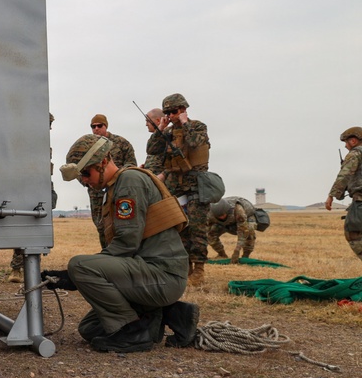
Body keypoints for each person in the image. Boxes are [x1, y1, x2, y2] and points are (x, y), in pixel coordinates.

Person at [58, 134, 198, 352]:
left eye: (86, 173)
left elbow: (126, 244)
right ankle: (169, 314)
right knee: (90, 329)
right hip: (149, 272)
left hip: (162, 275)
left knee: (79, 265)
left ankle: (134, 332)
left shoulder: (129, 182)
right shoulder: (116, 187)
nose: (84, 180)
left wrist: (72, 275)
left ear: (104, 161)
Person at [145, 93, 212, 285]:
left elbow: (194, 143)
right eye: (167, 113)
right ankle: (186, 267)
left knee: (198, 229)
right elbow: (152, 149)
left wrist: (185, 124)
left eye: (174, 112)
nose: (171, 115)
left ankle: (199, 269)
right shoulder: (168, 133)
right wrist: (161, 128)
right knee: (180, 228)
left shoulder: (198, 126)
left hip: (196, 186)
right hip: (175, 188)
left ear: (183, 110)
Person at [9, 113, 56, 283]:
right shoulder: (23, 141)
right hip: (24, 187)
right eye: (47, 124)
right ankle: (16, 269)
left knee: (39, 228)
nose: (49, 128)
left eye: (50, 125)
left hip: (42, 187)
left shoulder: (46, 145)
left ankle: (33, 270)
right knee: (22, 225)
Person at [86, 114, 136, 248]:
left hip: (118, 191)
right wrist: (88, 182)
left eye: (99, 126)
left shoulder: (121, 143)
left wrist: (118, 179)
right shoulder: (87, 146)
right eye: (93, 126)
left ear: (106, 126)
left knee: (121, 223)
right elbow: (79, 169)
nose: (96, 129)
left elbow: (131, 165)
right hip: (97, 194)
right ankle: (106, 254)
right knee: (101, 226)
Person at [325, 126, 362, 264]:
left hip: (360, 203)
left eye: (346, 142)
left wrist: (332, 196)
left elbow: (344, 175)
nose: (346, 146)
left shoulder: (356, 153)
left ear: (353, 141)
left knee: (353, 234)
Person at [209, 196, 258, 262]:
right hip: (224, 224)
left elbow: (243, 231)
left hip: (246, 219)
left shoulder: (238, 210)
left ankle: (246, 256)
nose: (221, 217)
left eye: (223, 215)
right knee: (209, 234)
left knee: (250, 230)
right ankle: (222, 255)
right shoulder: (210, 214)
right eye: (219, 216)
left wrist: (237, 250)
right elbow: (204, 230)